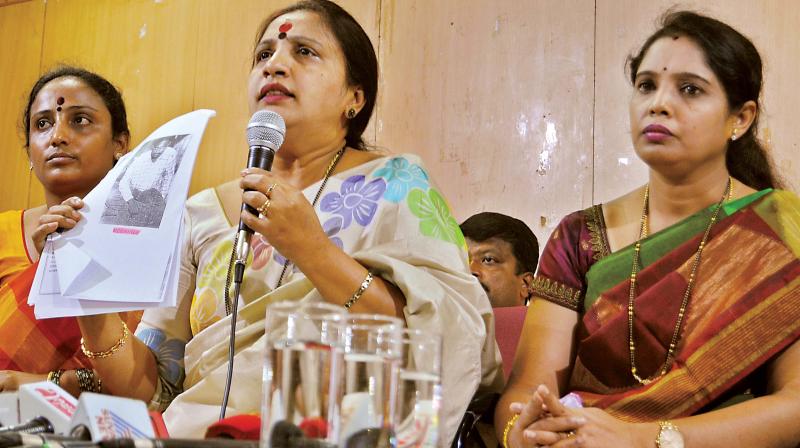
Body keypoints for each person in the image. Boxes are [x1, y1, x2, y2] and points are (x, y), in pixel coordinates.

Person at [72, 0, 502, 443]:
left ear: (355, 97)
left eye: (304, 52)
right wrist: (87, 304)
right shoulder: (201, 212)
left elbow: (450, 339)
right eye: (263, 55)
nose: (274, 65)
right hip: (198, 438)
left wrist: (313, 251)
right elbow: (155, 388)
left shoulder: (398, 184)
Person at [496, 11, 800, 448]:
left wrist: (647, 439)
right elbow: (526, 391)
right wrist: (522, 433)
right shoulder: (579, 235)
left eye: (690, 89)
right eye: (646, 86)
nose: (658, 103)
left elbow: (794, 407)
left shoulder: (780, 233)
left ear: (741, 118)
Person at [0, 66, 139, 396]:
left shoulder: (149, 244)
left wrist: (44, 385)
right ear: (30, 154)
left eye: (79, 120)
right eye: (43, 124)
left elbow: (157, 378)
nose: (57, 136)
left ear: (120, 143)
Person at [461, 212, 539, 307]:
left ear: (526, 285)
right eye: (463, 259)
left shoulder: (548, 321)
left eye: (488, 260)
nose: (470, 270)